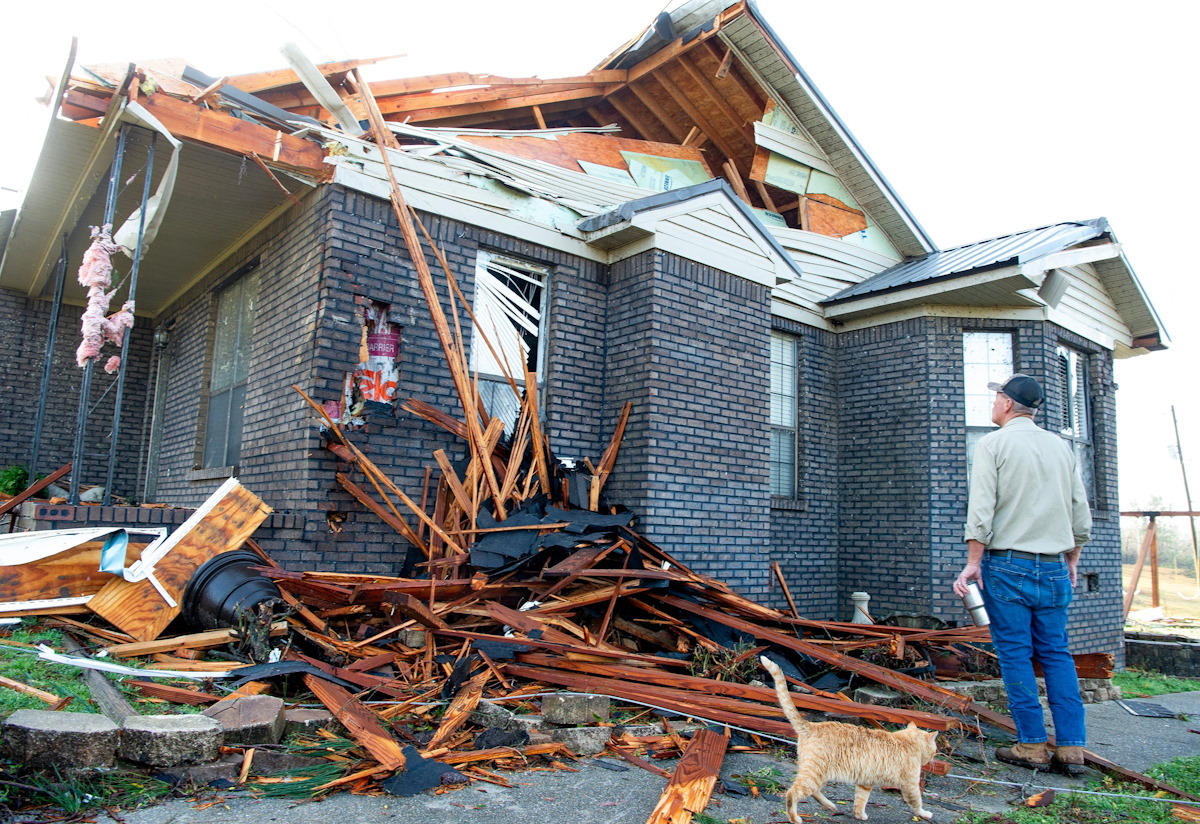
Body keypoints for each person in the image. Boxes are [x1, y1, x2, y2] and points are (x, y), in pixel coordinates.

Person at [954, 373, 1091, 776]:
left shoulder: (993, 444)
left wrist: (973, 561)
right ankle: (1072, 748)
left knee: (1015, 653)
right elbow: (1079, 514)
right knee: (1056, 654)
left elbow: (981, 509)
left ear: (1009, 404)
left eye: (996, 396)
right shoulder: (1060, 447)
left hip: (1008, 564)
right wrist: (1072, 559)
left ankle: (1031, 743)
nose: (992, 402)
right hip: (1053, 565)